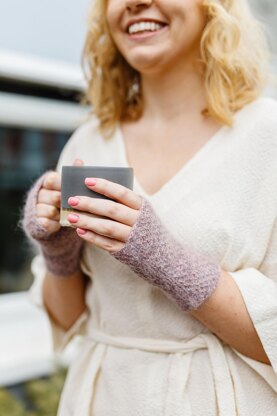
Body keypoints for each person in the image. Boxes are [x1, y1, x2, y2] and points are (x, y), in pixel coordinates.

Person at [22, 0, 277, 414]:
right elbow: (69, 320)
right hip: (103, 399)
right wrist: (57, 251)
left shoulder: (266, 134)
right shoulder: (89, 140)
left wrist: (166, 259)